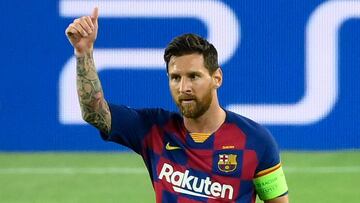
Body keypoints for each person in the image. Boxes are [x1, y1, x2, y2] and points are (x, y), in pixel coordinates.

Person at [65, 7, 289, 203]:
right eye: (175, 77)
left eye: (194, 76)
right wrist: (83, 53)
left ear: (217, 78)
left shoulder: (256, 141)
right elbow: (94, 113)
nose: (184, 87)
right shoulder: (153, 130)